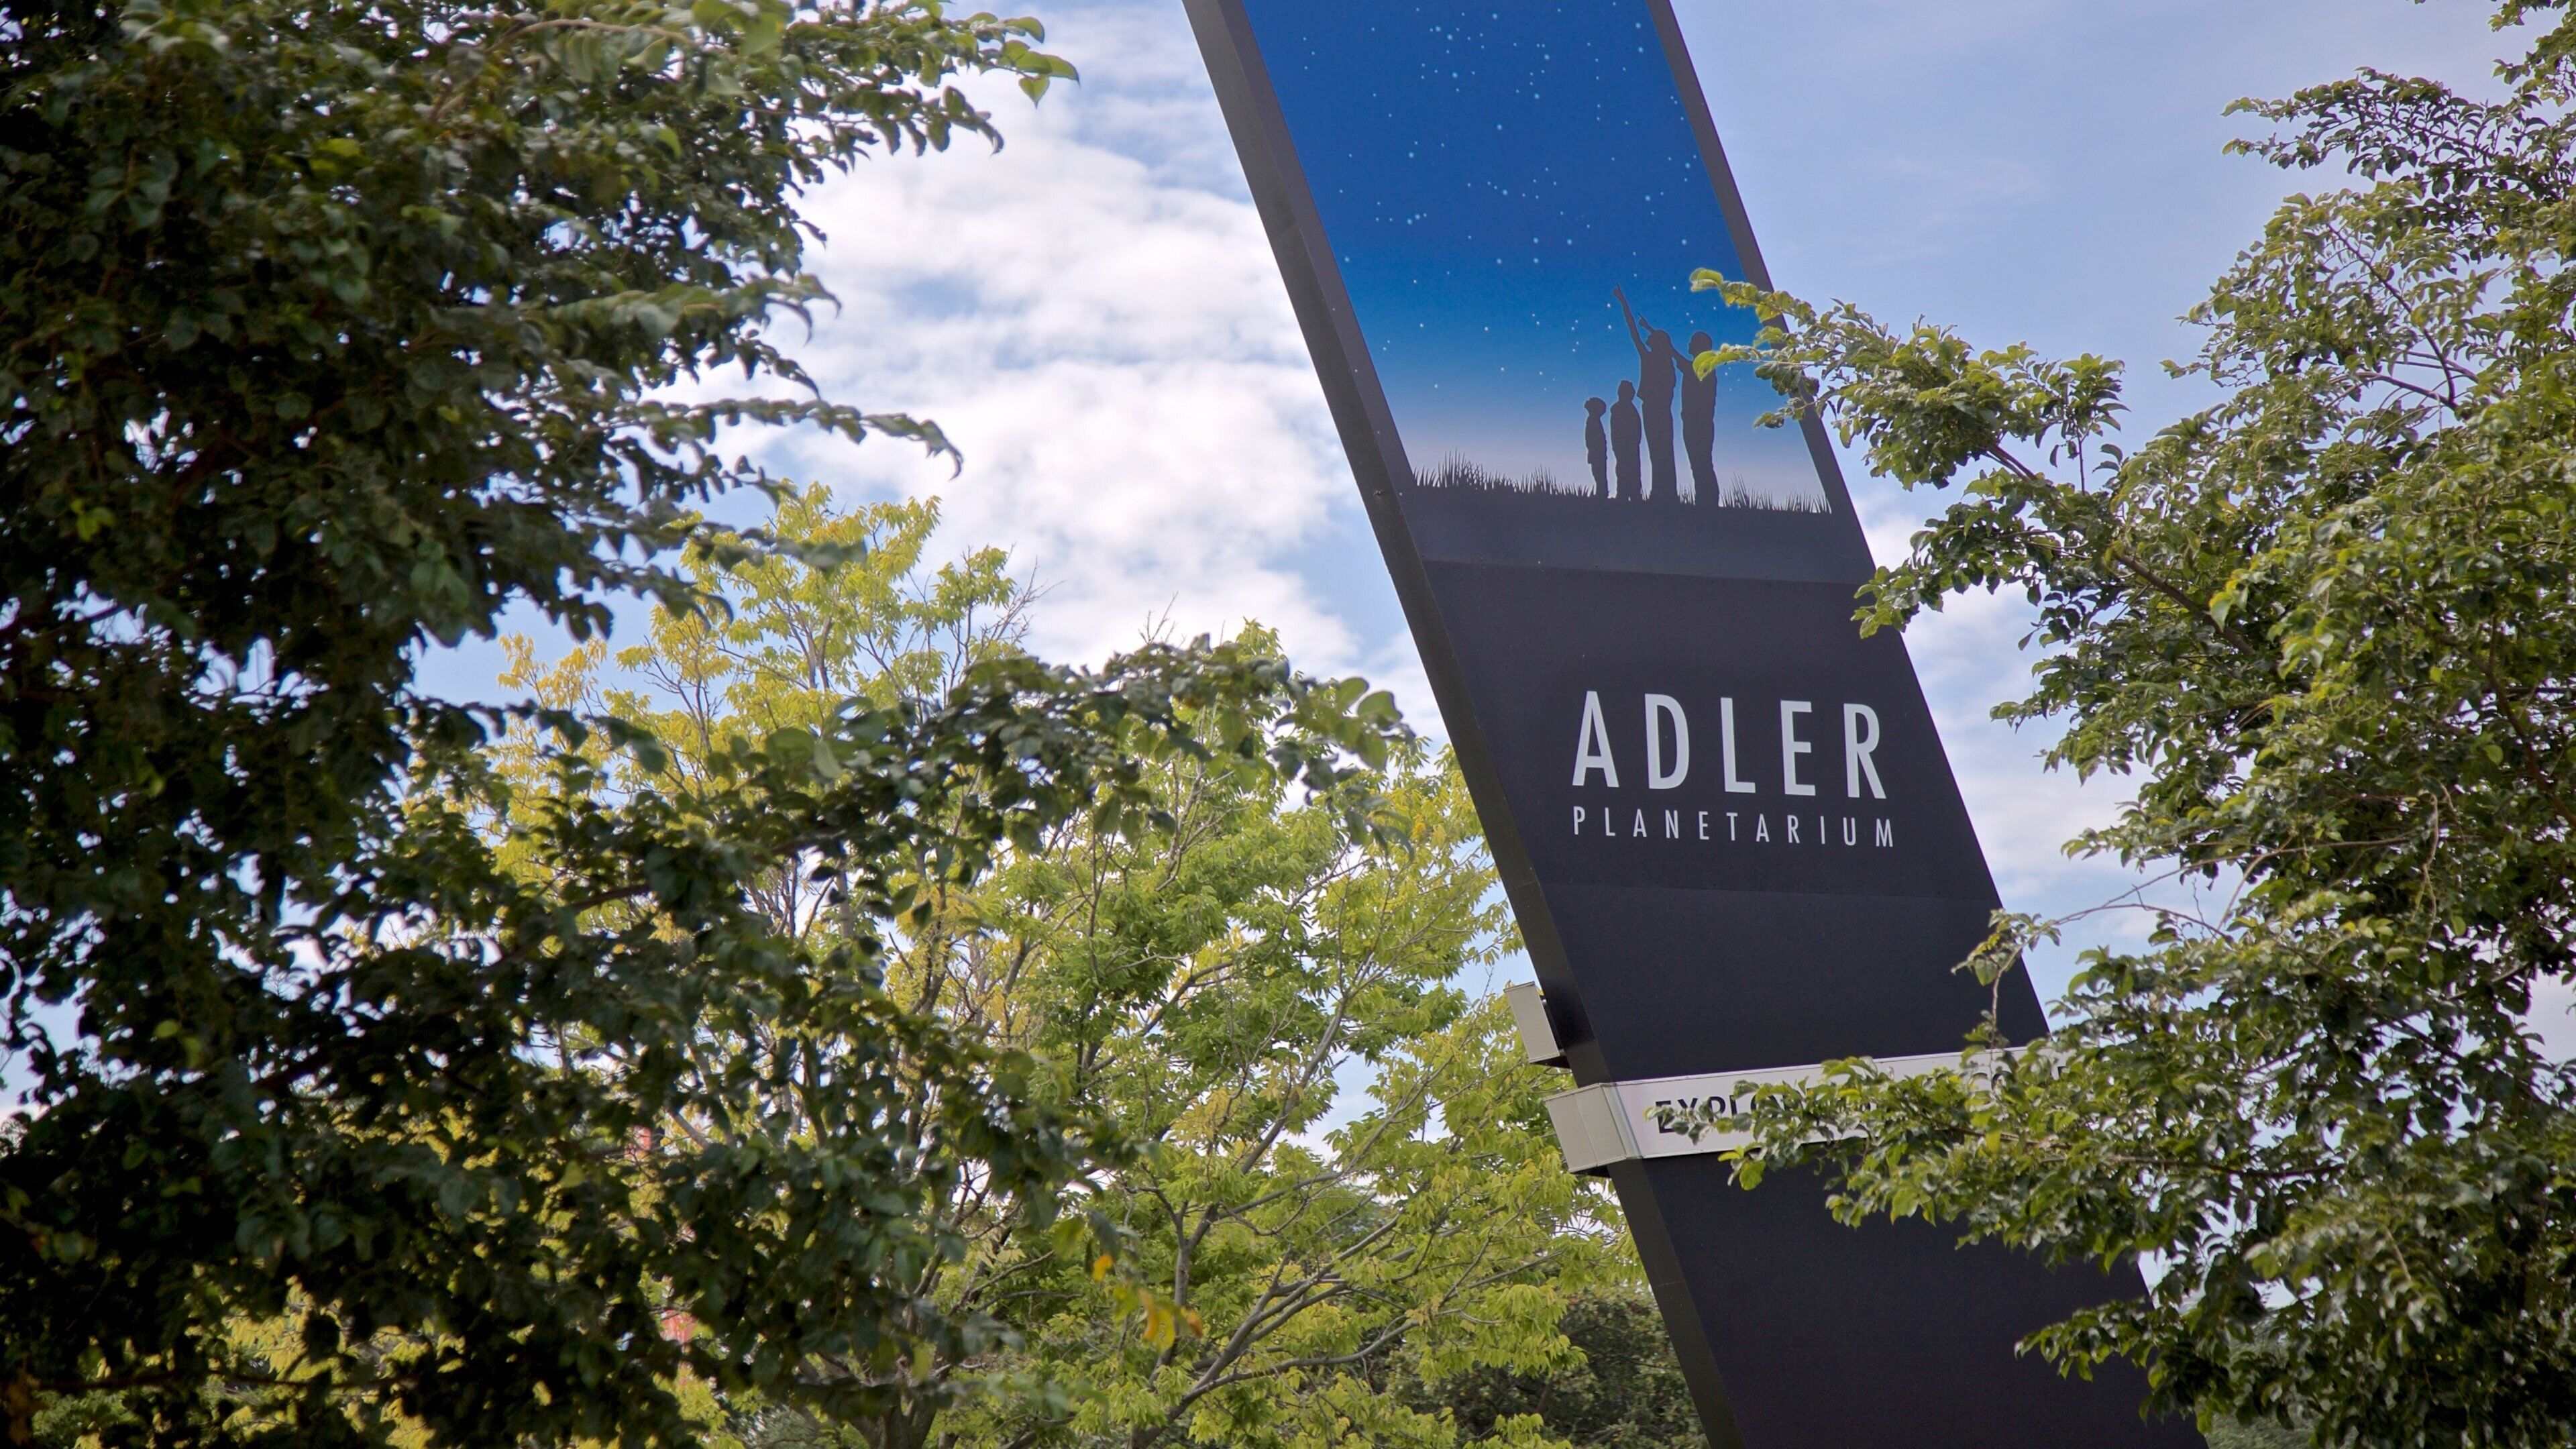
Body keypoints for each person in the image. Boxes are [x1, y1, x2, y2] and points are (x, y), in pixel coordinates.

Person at [1617, 288, 1679, 503]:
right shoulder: (1666, 361)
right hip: (1659, 410)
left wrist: (1624, 302)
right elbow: (1644, 335)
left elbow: (1633, 332)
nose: (1649, 342)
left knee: (1659, 451)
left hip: (1655, 410)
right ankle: (1665, 493)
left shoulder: (1652, 360)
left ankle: (1663, 494)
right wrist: (1648, 326)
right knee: (1661, 452)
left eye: (1652, 340)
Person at [1681, 329, 1717, 504]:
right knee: (1699, 464)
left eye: (1692, 342)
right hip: (1694, 423)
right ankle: (1704, 501)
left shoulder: (1703, 368)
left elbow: (1684, 365)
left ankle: (1707, 502)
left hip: (1699, 425)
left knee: (1701, 463)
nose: (1688, 345)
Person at [1609, 380, 1642, 501]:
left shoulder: (1629, 408)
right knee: (1624, 469)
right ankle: (1623, 494)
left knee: (1633, 470)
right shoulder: (1618, 409)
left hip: (1632, 446)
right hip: (1624, 446)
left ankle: (1633, 494)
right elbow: (1617, 431)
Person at [1584, 396, 1609, 497]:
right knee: (1598, 473)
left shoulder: (1593, 420)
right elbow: (1591, 439)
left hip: (1598, 453)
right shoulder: (1593, 420)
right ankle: (1601, 493)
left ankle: (1602, 493)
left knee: (1599, 473)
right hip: (1597, 453)